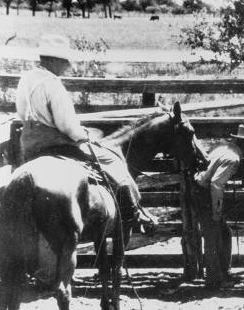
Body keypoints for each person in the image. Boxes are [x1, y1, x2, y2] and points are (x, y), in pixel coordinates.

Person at [15, 33, 155, 233]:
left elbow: (21, 112)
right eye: (65, 61)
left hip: (28, 142)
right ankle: (133, 213)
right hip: (56, 143)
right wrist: (84, 135)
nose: (67, 66)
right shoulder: (52, 84)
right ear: (54, 60)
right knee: (112, 160)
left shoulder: (26, 78)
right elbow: (67, 126)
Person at [192, 136, 241, 288]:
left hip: (201, 188)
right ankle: (213, 280)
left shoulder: (223, 149)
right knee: (213, 235)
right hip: (205, 193)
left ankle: (222, 273)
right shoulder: (233, 158)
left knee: (223, 233)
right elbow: (216, 184)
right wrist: (216, 211)